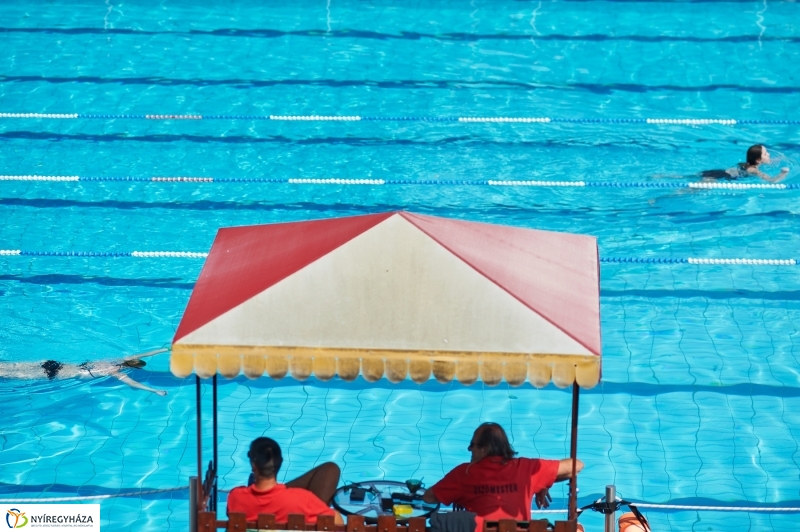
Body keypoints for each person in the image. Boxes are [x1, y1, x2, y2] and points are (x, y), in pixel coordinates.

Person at [422, 422, 583, 532]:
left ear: (484, 449)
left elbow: (429, 498)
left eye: (473, 444)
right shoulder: (527, 469)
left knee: (438, 522)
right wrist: (545, 482)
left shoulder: (465, 473)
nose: (469, 449)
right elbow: (577, 465)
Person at [227, 437, 344, 524]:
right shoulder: (303, 500)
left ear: (253, 465)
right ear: (280, 463)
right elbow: (337, 521)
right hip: (290, 502)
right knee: (330, 469)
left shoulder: (236, 497)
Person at [0, 348, 169, 395]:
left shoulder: (119, 359)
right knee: (6, 373)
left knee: (10, 366)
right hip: (57, 375)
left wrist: (165, 349)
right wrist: (154, 390)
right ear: (134, 367)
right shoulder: (115, 371)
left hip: (54, 364)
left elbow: (146, 353)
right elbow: (133, 383)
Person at [700, 144, 789, 182]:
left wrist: (779, 159)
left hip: (717, 172)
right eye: (766, 154)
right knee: (691, 190)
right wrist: (783, 173)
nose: (769, 154)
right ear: (758, 160)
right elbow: (771, 181)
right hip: (718, 178)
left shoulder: (748, 164)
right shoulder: (753, 170)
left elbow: (766, 161)